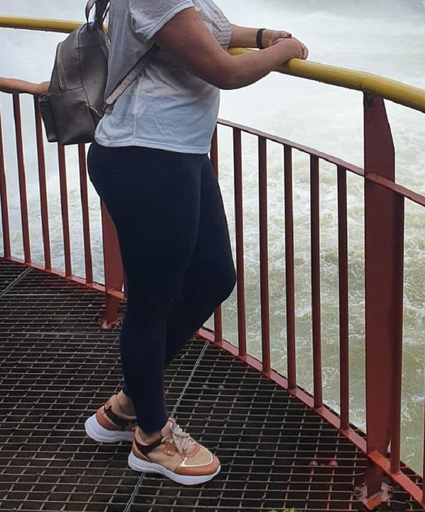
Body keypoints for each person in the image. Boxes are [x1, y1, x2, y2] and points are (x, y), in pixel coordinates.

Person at [83, 0, 308, 486]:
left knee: (212, 276)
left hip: (177, 153)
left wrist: (263, 33)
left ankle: (126, 406)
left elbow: (212, 32)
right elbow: (223, 71)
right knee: (152, 302)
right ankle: (150, 437)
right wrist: (284, 51)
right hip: (145, 156)